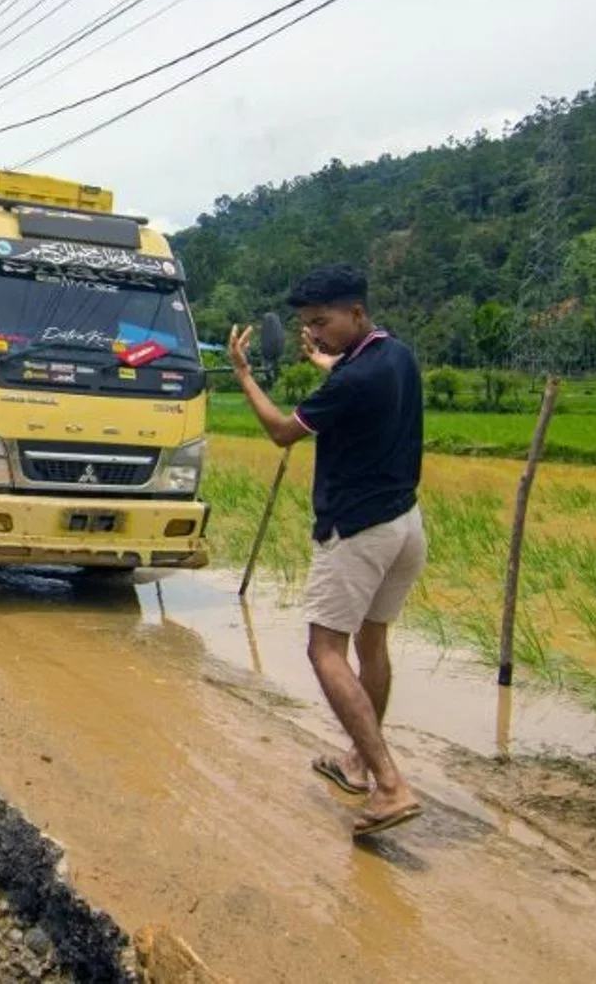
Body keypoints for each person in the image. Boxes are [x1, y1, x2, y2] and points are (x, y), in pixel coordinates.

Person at [225, 264, 426, 838]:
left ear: (356, 314)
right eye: (308, 325)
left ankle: (390, 784)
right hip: (406, 524)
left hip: (357, 530)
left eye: (322, 323)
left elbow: (282, 430)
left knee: (324, 651)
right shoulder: (396, 356)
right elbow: (353, 375)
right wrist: (328, 363)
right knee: (373, 642)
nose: (315, 334)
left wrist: (243, 375)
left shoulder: (350, 382)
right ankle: (358, 763)